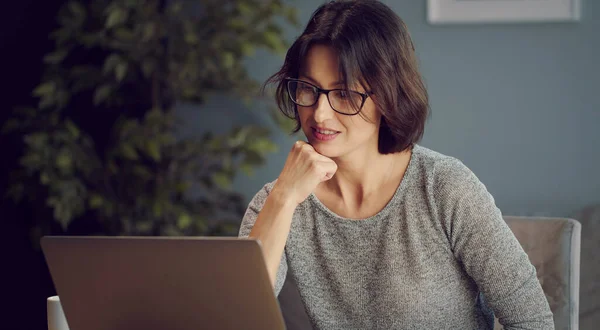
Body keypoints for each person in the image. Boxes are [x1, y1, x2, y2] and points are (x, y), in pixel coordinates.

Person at [238, 1, 554, 329]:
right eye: (308, 89)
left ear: (389, 95)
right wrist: (283, 198)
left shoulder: (445, 187)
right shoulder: (277, 203)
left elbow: (532, 320)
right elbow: (236, 319)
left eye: (344, 94)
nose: (319, 113)